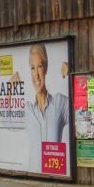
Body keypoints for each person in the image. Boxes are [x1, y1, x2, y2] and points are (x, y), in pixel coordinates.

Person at [12, 43, 70, 172]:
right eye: (33, 68)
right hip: (33, 179)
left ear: (46, 68)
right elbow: (7, 122)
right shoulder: (27, 110)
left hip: (56, 177)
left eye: (40, 66)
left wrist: (73, 73)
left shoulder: (60, 103)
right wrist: (10, 91)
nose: (36, 75)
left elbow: (83, 109)